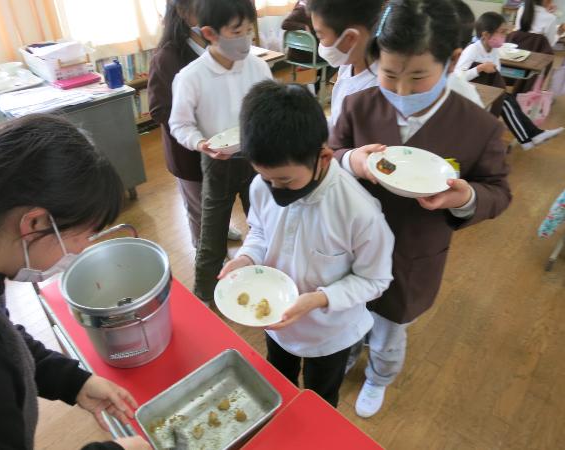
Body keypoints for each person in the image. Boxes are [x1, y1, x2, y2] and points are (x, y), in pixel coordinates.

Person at [330, 0, 512, 418]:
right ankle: (347, 352)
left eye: (418, 77)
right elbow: (331, 151)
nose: (402, 91)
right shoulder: (360, 106)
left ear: (450, 61)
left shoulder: (477, 126)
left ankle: (379, 376)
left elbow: (498, 191)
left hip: (413, 252)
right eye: (389, 75)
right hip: (350, 246)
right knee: (348, 310)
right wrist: (350, 160)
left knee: (391, 328)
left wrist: (465, 198)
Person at [0, 115, 150, 450]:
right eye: (85, 234)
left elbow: (4, 337)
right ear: (34, 222)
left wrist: (71, 381)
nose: (82, 249)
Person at [219, 80, 394, 407]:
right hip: (276, 323)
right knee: (275, 387)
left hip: (328, 333)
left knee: (319, 399)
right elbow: (259, 231)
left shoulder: (359, 212)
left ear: (324, 157)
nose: (274, 188)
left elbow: (376, 280)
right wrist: (245, 258)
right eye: (267, 178)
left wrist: (317, 300)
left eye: (285, 180)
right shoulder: (262, 186)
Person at [169, 0, 272, 305]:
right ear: (210, 33)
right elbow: (180, 124)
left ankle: (263, 281)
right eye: (237, 31)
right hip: (217, 162)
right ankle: (205, 296)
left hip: (256, 158)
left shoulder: (258, 65)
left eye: (249, 30)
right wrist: (200, 143)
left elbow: (269, 108)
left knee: (264, 224)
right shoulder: (191, 76)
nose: (247, 38)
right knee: (212, 236)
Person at [148, 0, 242, 248]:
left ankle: (222, 228)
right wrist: (197, 129)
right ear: (182, 11)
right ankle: (206, 249)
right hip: (190, 153)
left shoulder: (219, 45)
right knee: (200, 207)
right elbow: (159, 110)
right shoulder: (167, 57)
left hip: (226, 145)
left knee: (219, 199)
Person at [456, 11, 564, 150]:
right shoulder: (472, 50)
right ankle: (528, 138)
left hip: (486, 90)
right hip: (467, 92)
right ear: (485, 35)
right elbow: (459, 76)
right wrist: (480, 68)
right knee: (505, 102)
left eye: (505, 32)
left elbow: (497, 72)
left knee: (508, 99)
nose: (504, 36)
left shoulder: (494, 50)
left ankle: (532, 135)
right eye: (501, 32)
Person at [309, 0, 384, 127]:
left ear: (350, 38)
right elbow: (337, 122)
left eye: (321, 37)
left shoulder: (377, 88)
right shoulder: (347, 66)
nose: (320, 43)